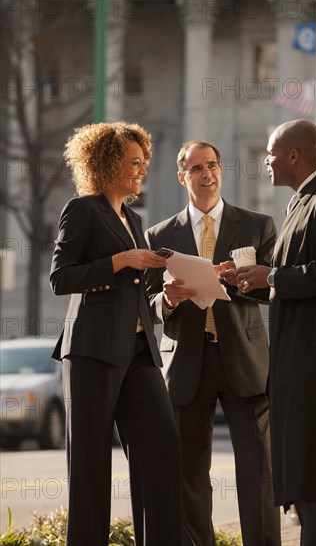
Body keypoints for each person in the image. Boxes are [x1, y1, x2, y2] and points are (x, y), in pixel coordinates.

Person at [221, 119, 316, 546]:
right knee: (314, 486)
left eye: (269, 154)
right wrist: (250, 282)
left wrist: (274, 277)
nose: (264, 161)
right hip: (297, 364)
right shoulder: (301, 203)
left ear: (293, 156)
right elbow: (290, 284)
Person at [50, 121, 183, 546]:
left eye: (144, 162)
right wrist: (120, 260)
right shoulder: (83, 209)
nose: (142, 170)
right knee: (90, 467)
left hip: (140, 349)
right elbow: (61, 277)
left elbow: (136, 288)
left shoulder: (133, 217)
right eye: (134, 162)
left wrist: (171, 291)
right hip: (92, 349)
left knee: (162, 448)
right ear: (107, 163)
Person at [144, 140, 281, 546]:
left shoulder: (257, 225)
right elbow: (148, 304)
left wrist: (238, 281)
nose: (208, 174)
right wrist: (166, 299)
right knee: (188, 475)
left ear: (221, 171)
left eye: (214, 165)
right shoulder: (160, 234)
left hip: (244, 360)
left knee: (257, 472)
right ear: (183, 176)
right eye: (198, 168)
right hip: (186, 364)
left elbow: (272, 289)